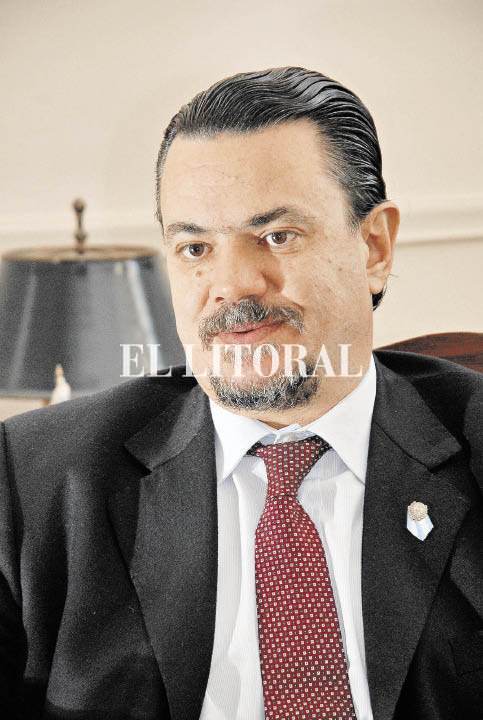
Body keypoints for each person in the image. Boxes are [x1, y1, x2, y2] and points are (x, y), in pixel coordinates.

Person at [0, 67, 481, 720]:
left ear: (373, 246)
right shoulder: (34, 479)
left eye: (276, 236)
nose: (231, 286)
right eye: (195, 247)